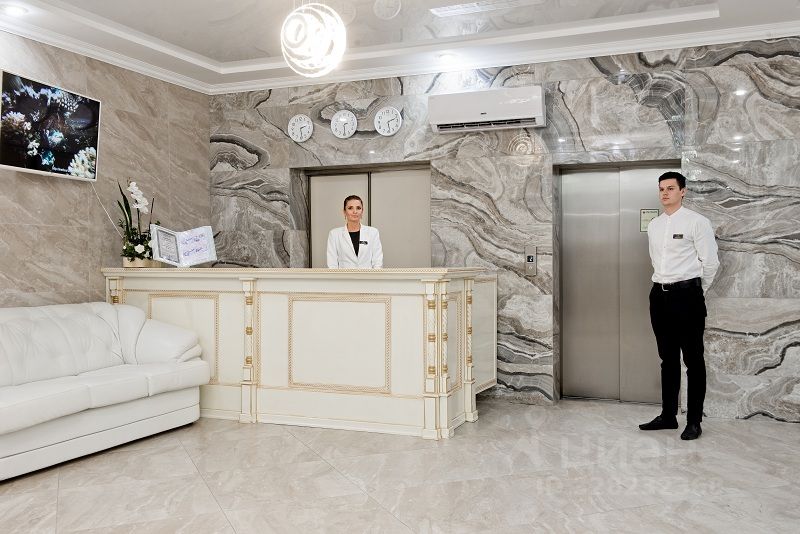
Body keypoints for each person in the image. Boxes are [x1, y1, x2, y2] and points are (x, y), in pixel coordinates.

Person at [639, 171, 719, 440]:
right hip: (659, 297)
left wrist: (695, 292)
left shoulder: (697, 222)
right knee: (668, 359)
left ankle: (694, 421)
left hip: (687, 297)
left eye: (670, 188)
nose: (665, 193)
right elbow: (655, 261)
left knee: (693, 361)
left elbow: (711, 263)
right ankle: (668, 416)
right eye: (661, 189)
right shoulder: (654, 225)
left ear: (683, 191)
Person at [326, 195, 383, 268]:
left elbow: (378, 262)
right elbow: (332, 265)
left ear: (362, 211)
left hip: (367, 275)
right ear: (344, 212)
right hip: (344, 275)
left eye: (358, 208)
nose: (355, 211)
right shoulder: (334, 234)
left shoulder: (373, 232)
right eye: (350, 208)